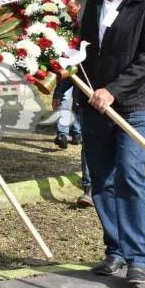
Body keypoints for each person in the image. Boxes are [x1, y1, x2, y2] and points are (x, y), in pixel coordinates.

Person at [76, 0, 145, 285]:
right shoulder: (94, 3)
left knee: (130, 175)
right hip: (93, 105)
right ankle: (115, 250)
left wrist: (113, 91)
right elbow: (83, 52)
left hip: (133, 105)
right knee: (102, 180)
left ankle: (138, 257)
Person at [52, 79, 93, 207]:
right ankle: (89, 188)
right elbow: (73, 71)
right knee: (90, 143)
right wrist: (58, 93)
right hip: (89, 101)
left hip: (123, 103)